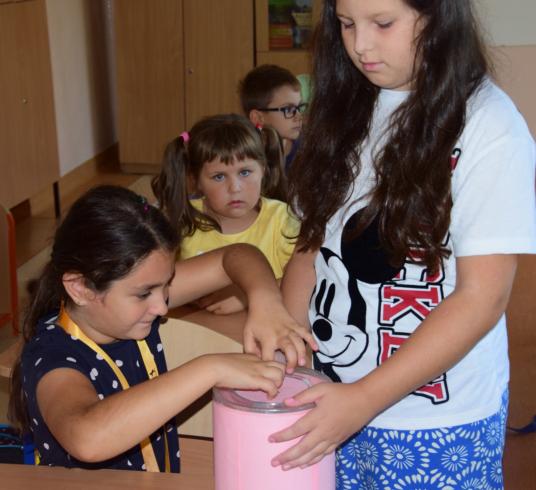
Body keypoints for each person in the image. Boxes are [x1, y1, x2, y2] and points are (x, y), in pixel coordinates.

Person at [264, 1, 536, 488]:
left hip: (435, 424)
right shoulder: (342, 108)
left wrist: (363, 399)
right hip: (328, 400)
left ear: (437, 16)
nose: (360, 45)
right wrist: (289, 345)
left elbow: (482, 298)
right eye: (346, 24)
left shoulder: (489, 124)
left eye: (383, 23)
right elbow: (312, 248)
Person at [8, 185, 315, 472]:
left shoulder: (132, 303)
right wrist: (211, 368)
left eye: (167, 284)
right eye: (145, 293)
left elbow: (236, 255)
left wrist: (265, 300)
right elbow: (88, 438)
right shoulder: (53, 354)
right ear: (81, 288)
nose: (162, 307)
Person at [152, 113, 300, 314]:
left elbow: (306, 280)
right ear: (196, 180)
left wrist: (247, 294)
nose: (235, 188)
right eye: (219, 176)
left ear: (263, 170)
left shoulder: (284, 221)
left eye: (245, 172)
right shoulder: (180, 221)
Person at [239, 64, 307, 171]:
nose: (299, 117)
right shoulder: (245, 158)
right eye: (288, 109)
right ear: (258, 118)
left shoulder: (309, 150)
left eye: (299, 107)